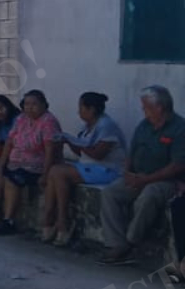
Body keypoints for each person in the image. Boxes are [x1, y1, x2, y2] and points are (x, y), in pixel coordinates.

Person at [98, 85, 185, 266]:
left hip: (166, 181)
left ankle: (131, 242)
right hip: (139, 176)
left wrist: (146, 179)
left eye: (145, 106)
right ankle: (116, 243)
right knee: (110, 193)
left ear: (158, 108)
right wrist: (129, 173)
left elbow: (177, 165)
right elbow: (132, 152)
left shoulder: (179, 129)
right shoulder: (144, 126)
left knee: (148, 196)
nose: (143, 110)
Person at [0, 90, 61, 235]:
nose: (30, 107)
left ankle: (8, 220)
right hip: (17, 163)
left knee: (11, 180)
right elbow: (9, 144)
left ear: (44, 105)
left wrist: (45, 174)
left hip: (36, 166)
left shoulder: (48, 121)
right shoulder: (21, 119)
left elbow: (50, 151)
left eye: (34, 104)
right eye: (27, 104)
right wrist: (0, 166)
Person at [39, 92, 126, 247]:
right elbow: (80, 152)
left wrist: (76, 142)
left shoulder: (107, 126)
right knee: (54, 171)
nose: (79, 112)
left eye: (81, 108)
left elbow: (98, 154)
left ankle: (62, 222)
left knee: (59, 173)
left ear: (91, 109)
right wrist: (68, 141)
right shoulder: (87, 127)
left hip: (107, 170)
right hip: (89, 166)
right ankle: (51, 218)